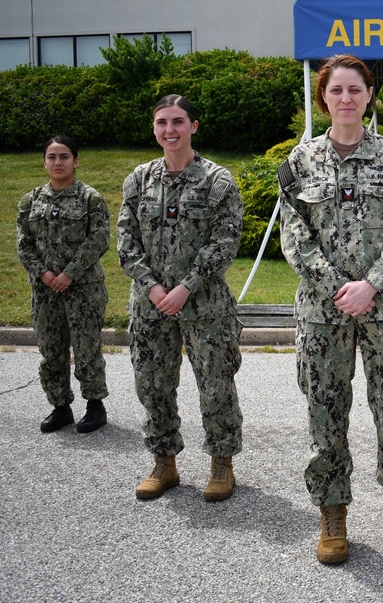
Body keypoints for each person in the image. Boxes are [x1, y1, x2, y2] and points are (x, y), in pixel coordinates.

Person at [278, 54, 383, 564]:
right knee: (325, 413)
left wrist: (372, 285)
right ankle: (332, 512)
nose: (346, 98)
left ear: (369, 96)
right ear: (324, 98)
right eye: (336, 90)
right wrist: (340, 287)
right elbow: (295, 241)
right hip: (323, 315)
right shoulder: (299, 165)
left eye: (355, 89)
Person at [118, 94, 244, 503]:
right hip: (151, 304)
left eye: (177, 122)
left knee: (215, 385)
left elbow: (225, 241)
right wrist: (153, 287)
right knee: (152, 384)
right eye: (161, 123)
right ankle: (164, 463)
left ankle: (221, 463)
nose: (169, 130)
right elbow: (126, 239)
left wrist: (186, 286)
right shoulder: (139, 180)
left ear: (194, 126)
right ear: (154, 128)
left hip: (205, 305)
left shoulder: (217, 181)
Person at [17, 136, 110, 434]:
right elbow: (24, 244)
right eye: (52, 157)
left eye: (64, 156)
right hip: (45, 292)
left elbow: (99, 239)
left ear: (76, 161)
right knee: (51, 350)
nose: (58, 162)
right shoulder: (31, 201)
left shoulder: (89, 198)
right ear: (44, 161)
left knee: (87, 349)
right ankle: (60, 407)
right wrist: (44, 274)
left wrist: (69, 273)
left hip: (83, 289)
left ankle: (95, 406)